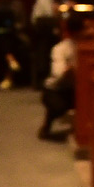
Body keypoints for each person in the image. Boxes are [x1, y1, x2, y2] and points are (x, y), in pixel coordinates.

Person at [38, 12, 82, 141]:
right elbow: (58, 73)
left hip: (77, 88)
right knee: (58, 107)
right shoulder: (60, 48)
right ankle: (47, 125)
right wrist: (69, 70)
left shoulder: (88, 46)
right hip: (56, 89)